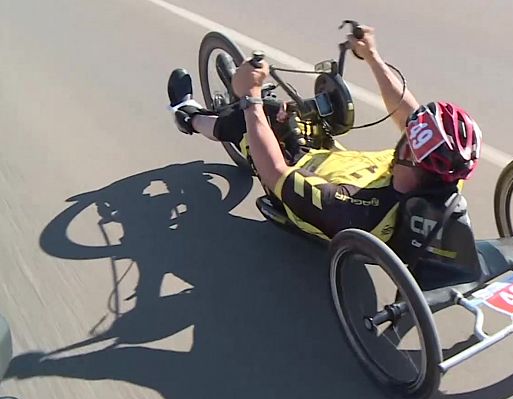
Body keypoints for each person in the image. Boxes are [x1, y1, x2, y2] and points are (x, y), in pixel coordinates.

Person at [166, 25, 482, 242]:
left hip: (297, 168)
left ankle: (187, 116)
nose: (408, 130)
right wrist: (372, 56)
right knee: (306, 109)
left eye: (411, 138)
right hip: (339, 161)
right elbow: (405, 111)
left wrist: (250, 98)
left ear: (412, 158)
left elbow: (276, 174)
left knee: (240, 121)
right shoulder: (443, 176)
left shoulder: (352, 207)